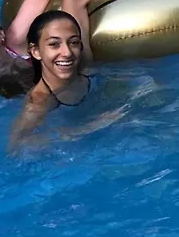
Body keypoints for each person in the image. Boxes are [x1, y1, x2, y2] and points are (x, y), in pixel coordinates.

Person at [7, 10, 127, 150]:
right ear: (36, 51)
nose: (67, 52)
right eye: (54, 44)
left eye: (74, 42)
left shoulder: (89, 70)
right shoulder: (40, 102)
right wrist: (86, 128)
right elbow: (16, 147)